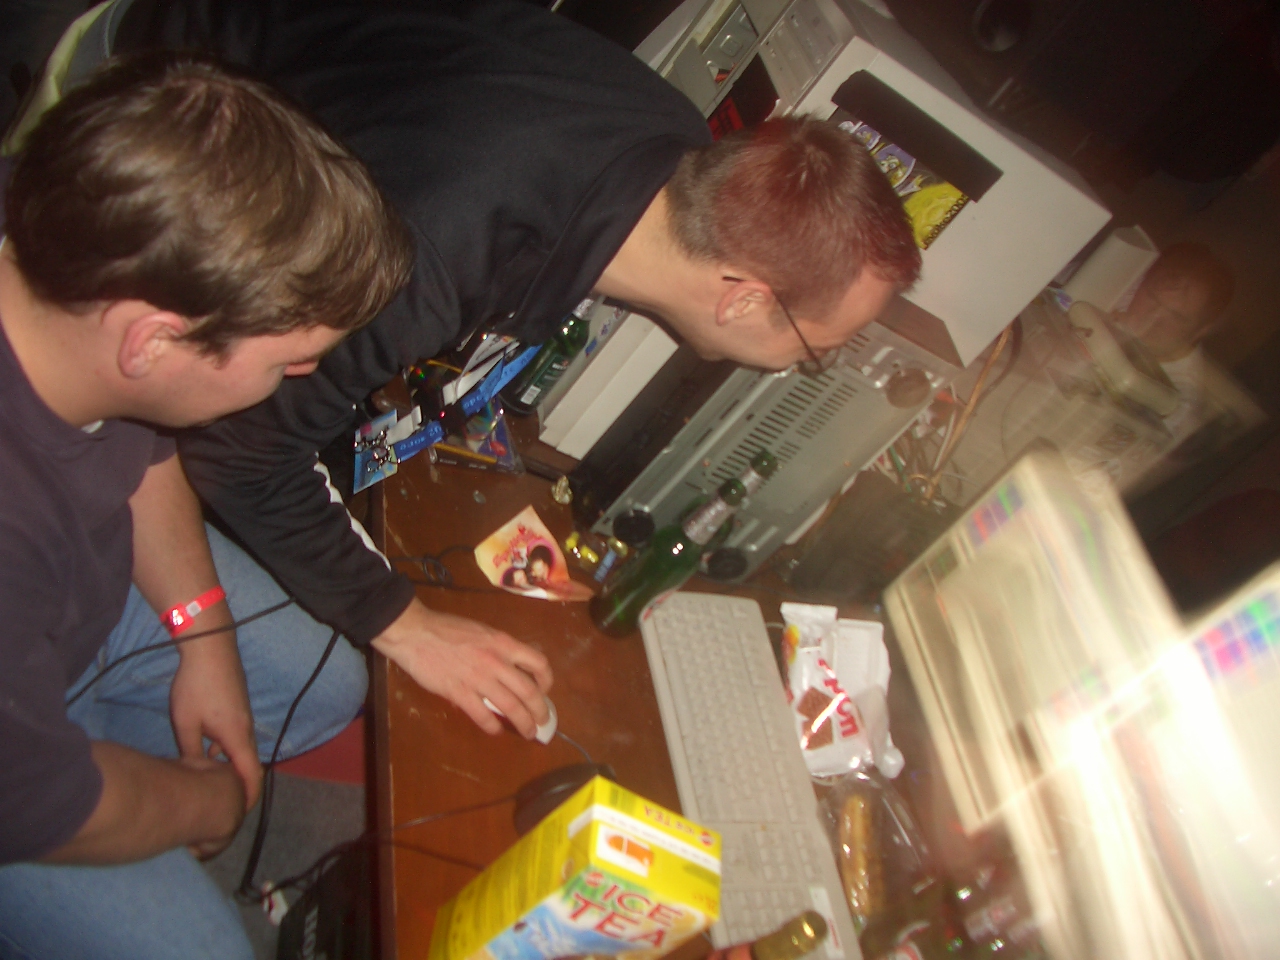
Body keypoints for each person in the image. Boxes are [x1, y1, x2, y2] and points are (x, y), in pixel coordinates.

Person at [91, 0, 921, 739]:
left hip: (246, 74)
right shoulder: (428, 253)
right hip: (131, 119)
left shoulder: (667, 144)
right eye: (815, 351)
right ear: (743, 300)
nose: (805, 367)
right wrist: (408, 627)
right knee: (323, 678)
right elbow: (241, 453)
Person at [0, 51, 410, 959]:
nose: (303, 376)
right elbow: (46, 805)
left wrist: (205, 636)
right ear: (152, 341)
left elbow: (141, 447)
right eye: (287, 360)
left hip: (61, 619)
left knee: (321, 688)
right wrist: (204, 802)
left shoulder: (74, 248)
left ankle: (96, 737)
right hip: (27, 779)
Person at [1113, 241, 1234, 440]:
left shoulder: (1179, 403)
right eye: (1152, 298)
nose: (1153, 318)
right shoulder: (1130, 285)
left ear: (1200, 331)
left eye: (1176, 317)